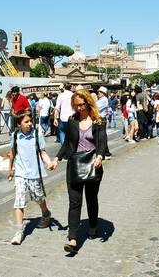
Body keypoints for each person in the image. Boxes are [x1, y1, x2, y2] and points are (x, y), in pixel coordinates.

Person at [50, 89, 109, 254]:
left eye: (82, 105)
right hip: (74, 165)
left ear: (89, 103)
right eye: (76, 106)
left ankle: (93, 225)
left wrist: (100, 156)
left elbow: (102, 141)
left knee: (91, 199)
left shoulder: (98, 121)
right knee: (74, 203)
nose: (80, 108)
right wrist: (57, 159)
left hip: (92, 164)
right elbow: (67, 143)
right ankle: (73, 239)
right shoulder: (72, 120)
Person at [8, 110, 54, 245]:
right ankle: (19, 231)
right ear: (18, 124)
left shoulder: (37, 134)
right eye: (26, 122)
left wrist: (49, 163)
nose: (29, 124)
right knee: (19, 199)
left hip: (34, 173)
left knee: (38, 197)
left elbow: (43, 152)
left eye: (30, 121)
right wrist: (10, 169)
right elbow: (12, 153)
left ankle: (45, 213)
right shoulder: (15, 135)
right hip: (20, 172)